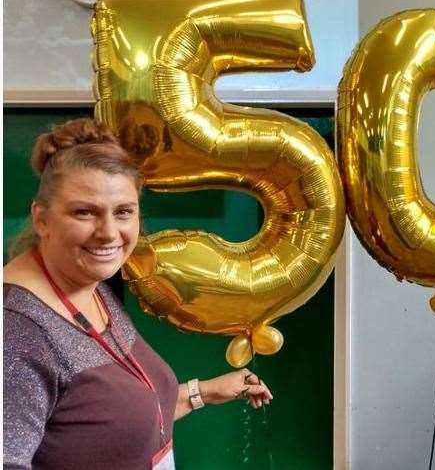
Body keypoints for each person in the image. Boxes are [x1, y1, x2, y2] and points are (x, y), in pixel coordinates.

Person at [3, 118, 274, 469]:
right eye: (85, 212)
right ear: (42, 219)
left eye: (123, 212)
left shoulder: (88, 285)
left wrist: (201, 393)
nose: (109, 232)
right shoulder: (17, 332)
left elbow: (99, 424)